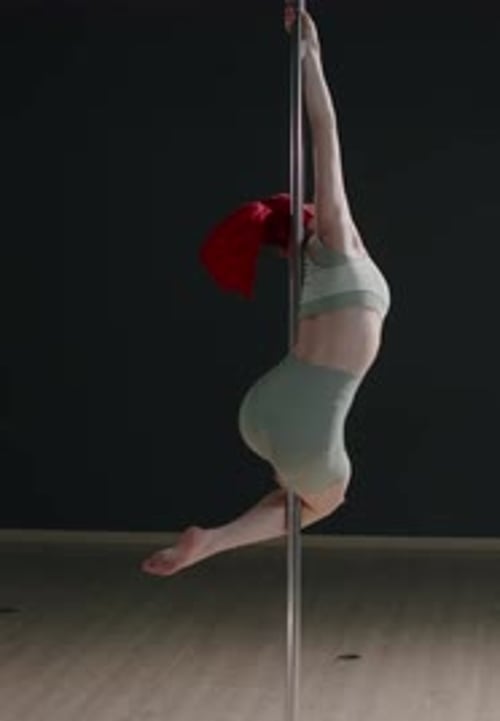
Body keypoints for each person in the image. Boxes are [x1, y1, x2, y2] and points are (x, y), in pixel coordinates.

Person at [141, 7, 391, 578]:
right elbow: (325, 133)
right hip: (302, 405)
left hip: (273, 402)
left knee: (308, 500)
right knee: (324, 499)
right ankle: (211, 542)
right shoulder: (339, 240)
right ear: (310, 216)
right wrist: (311, 53)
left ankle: (210, 541)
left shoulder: (309, 270)